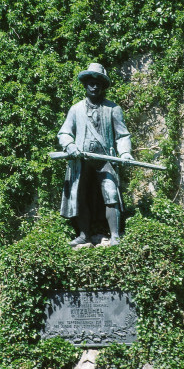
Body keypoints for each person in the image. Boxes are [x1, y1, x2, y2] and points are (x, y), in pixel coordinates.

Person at [57, 63, 133, 246]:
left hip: (105, 159)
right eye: (91, 83)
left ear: (103, 86)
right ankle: (84, 234)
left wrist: (125, 153)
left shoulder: (113, 109)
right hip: (81, 160)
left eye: (98, 83)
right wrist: (69, 145)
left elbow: (122, 135)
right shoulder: (75, 109)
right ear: (85, 85)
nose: (94, 86)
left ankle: (115, 235)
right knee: (79, 195)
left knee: (111, 192)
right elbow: (64, 133)